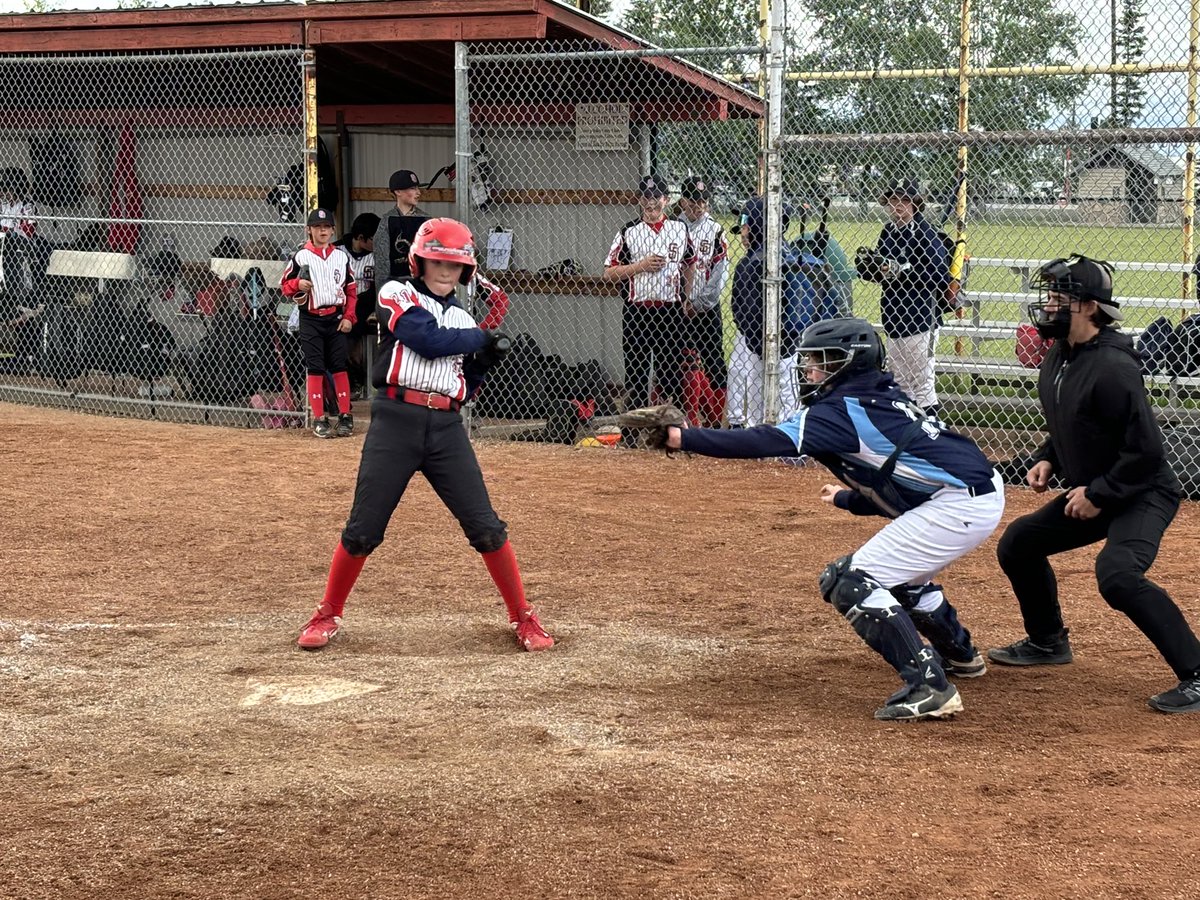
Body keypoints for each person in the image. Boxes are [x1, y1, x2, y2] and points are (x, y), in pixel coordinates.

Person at [657, 316, 1004, 721]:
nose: (809, 371)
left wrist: (686, 437)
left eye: (822, 361)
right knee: (903, 580)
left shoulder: (841, 410)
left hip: (958, 502)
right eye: (810, 361)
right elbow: (900, 479)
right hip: (970, 492)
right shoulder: (875, 397)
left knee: (850, 580)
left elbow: (764, 440)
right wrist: (848, 499)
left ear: (851, 364)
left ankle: (929, 686)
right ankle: (960, 655)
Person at [295, 216, 554, 654]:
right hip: (396, 420)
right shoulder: (396, 293)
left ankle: (523, 617)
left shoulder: (462, 316)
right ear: (419, 261)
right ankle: (328, 612)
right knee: (363, 530)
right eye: (437, 261)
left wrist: (484, 359)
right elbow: (427, 339)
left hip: (446, 427)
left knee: (486, 528)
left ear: (465, 271)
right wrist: (483, 337)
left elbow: (466, 383)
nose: (445, 271)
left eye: (453, 265)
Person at [988, 256, 1200, 714]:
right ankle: (1048, 643)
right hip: (1097, 489)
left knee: (1119, 576)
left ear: (1088, 307)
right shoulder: (1060, 356)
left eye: (1058, 298)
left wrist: (1098, 493)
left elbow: (1146, 454)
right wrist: (1048, 457)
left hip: (1142, 492)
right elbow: (1073, 421)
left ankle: (1197, 673)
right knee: (1019, 543)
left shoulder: (1112, 366)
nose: (1047, 306)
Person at [727, 197, 827, 427]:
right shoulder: (794, 255)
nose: (742, 229)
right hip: (791, 346)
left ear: (758, 225)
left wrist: (755, 343)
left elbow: (743, 310)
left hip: (758, 347)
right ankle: (788, 449)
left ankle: (760, 448)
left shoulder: (750, 263)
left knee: (757, 403)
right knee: (787, 400)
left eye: (746, 222)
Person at [603, 174, 696, 415]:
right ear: (639, 199)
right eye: (646, 196)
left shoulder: (679, 228)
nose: (650, 202)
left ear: (666, 200)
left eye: (656, 197)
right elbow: (609, 273)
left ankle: (668, 430)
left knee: (670, 372)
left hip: (670, 310)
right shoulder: (629, 231)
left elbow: (689, 262)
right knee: (636, 372)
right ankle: (634, 430)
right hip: (638, 310)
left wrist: (686, 296)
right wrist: (640, 266)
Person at [858, 180, 947, 417]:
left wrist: (903, 272)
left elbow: (939, 275)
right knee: (900, 381)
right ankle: (908, 434)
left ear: (916, 204)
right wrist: (871, 269)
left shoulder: (926, 233)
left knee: (922, 382)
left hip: (921, 317)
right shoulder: (888, 232)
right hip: (893, 316)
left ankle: (934, 433)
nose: (897, 205)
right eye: (893, 200)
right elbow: (883, 271)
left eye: (904, 200)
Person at [280, 208, 357, 438]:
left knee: (339, 366)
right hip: (310, 317)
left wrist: (348, 317)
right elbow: (285, 286)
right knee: (315, 367)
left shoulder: (341, 257)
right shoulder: (301, 256)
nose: (322, 231)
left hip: (334, 317)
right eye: (317, 227)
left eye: (326, 227)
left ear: (333, 230)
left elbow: (351, 290)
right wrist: (297, 285)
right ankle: (319, 417)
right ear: (309, 230)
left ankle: (345, 415)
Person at [677, 175, 729, 426]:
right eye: (694, 201)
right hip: (679, 307)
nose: (699, 206)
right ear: (683, 201)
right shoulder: (674, 228)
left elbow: (720, 273)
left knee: (713, 360)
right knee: (685, 360)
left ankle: (715, 420)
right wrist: (683, 301)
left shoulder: (716, 230)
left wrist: (698, 303)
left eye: (704, 202)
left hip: (706, 308)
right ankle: (690, 419)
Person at [334, 212, 380, 397]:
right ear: (361, 238)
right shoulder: (337, 251)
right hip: (342, 303)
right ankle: (350, 380)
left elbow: (379, 286)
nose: (377, 243)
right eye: (373, 239)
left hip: (366, 305)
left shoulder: (377, 255)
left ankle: (357, 380)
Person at [372, 169, 429, 292]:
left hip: (422, 287)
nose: (418, 192)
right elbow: (382, 263)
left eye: (418, 188)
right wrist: (383, 294)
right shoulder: (387, 221)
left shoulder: (426, 220)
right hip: (396, 289)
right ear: (398, 192)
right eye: (413, 188)